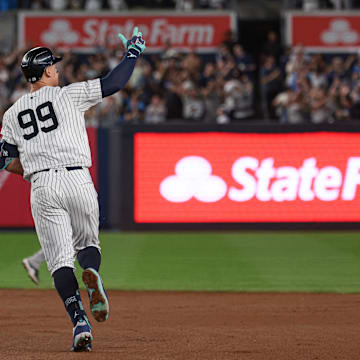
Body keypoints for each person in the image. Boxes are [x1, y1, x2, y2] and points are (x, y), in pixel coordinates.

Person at [0, 27, 146, 352]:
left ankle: (80, 322)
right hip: (78, 178)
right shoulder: (70, 94)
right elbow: (115, 83)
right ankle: (91, 271)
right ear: (47, 70)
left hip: (43, 185)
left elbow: (4, 160)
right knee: (88, 245)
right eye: (54, 64)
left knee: (59, 263)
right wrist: (133, 53)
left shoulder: (11, 114)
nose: (57, 68)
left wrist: (32, 172)